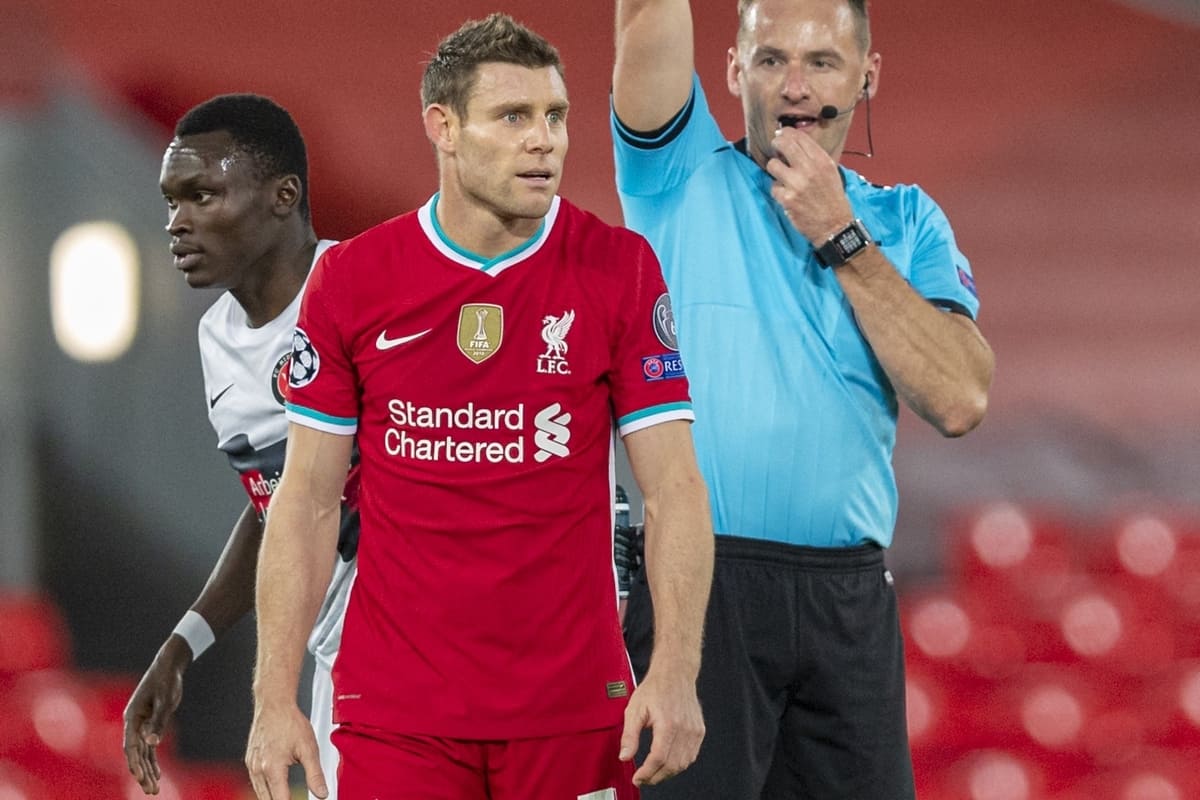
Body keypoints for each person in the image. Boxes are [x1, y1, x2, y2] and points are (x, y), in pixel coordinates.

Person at [243, 13, 714, 800]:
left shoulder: (618, 268)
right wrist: (271, 697)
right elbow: (307, 501)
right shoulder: (356, 279)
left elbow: (674, 490)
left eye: (556, 116)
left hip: (573, 708)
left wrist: (673, 670)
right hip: (398, 713)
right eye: (513, 116)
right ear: (444, 128)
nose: (546, 140)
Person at [611, 0, 996, 797]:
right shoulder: (677, 174)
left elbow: (959, 397)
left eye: (822, 61)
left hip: (848, 601)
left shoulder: (909, 221)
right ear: (731, 71)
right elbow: (646, 18)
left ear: (866, 76)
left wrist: (840, 232)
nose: (794, 85)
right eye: (769, 59)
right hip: (700, 587)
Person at [121, 93, 359, 800]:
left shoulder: (370, 290)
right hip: (337, 660)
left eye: (201, 194)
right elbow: (276, 506)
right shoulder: (217, 339)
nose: (176, 222)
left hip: (434, 648)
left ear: (283, 196)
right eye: (170, 201)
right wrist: (184, 642)